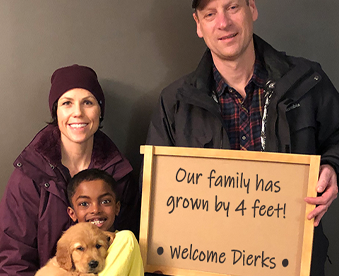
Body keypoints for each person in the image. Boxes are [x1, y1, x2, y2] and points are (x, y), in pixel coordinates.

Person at [145, 0, 339, 275]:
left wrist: (333, 167)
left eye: (232, 7)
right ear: (198, 25)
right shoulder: (174, 103)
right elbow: (156, 198)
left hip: (294, 263)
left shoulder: (307, 82)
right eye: (210, 14)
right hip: (206, 265)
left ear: (252, 9)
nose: (223, 23)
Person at [0, 64, 140, 275]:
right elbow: (14, 258)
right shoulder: (29, 175)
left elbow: (132, 249)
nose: (78, 113)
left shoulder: (119, 174)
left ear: (100, 110)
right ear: (56, 111)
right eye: (67, 103)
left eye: (88, 102)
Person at [67, 168, 144, 276]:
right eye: (84, 204)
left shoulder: (124, 240)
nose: (96, 210)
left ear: (117, 208)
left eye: (105, 201)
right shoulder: (69, 246)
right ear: (72, 213)